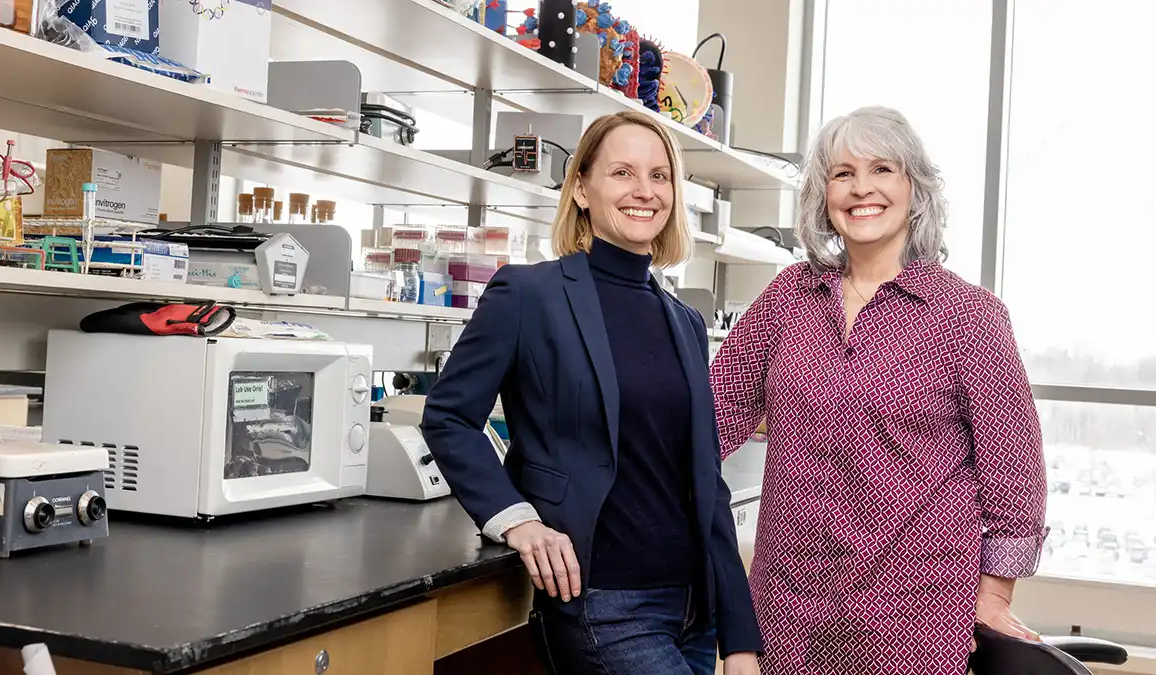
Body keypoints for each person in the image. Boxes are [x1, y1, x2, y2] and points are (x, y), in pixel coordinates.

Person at [709, 105, 1048, 675]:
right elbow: (709, 418)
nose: (861, 189)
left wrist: (995, 595)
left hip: (913, 618)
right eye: (842, 174)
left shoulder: (968, 315)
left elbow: (1014, 474)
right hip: (788, 608)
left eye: (881, 169)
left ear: (914, 187)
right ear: (823, 195)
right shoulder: (788, 299)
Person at [421, 110, 762, 675]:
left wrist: (740, 639)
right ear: (581, 187)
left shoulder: (685, 321)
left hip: (693, 610)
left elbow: (707, 482)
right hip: (604, 604)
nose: (644, 192)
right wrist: (516, 518)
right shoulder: (528, 295)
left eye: (660, 176)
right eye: (622, 173)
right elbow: (450, 418)